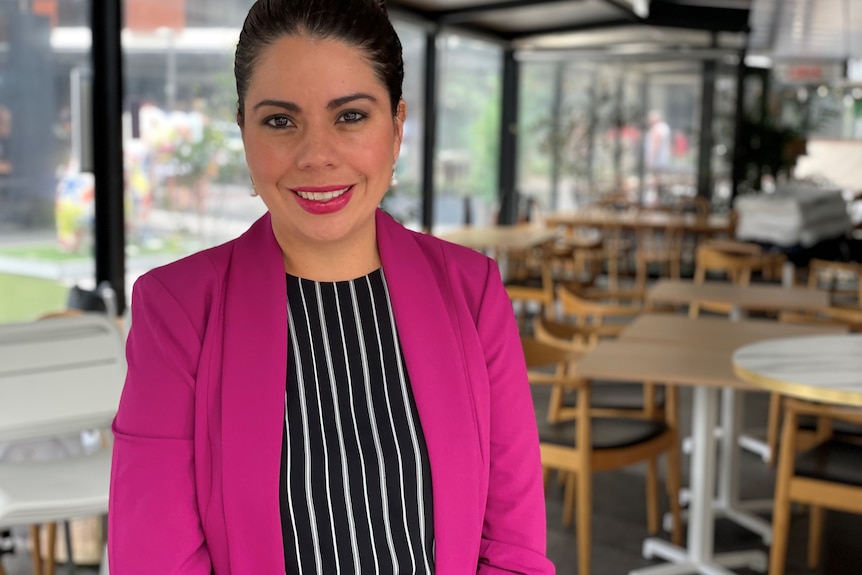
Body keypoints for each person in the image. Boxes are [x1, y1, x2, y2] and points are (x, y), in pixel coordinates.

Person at [107, 1, 554, 573]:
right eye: (279, 121)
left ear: (396, 128)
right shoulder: (177, 309)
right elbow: (154, 560)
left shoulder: (472, 291)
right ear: (243, 131)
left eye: (349, 117)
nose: (316, 155)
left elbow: (512, 544)